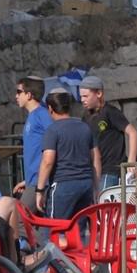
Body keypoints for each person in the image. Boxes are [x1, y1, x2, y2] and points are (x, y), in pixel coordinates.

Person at [35, 91, 100, 220]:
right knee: (78, 231)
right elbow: (96, 157)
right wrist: (96, 186)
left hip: (63, 184)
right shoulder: (85, 127)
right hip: (85, 184)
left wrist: (40, 190)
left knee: (56, 230)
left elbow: (48, 161)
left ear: (50, 108)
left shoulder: (52, 130)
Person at [78, 75, 137, 191]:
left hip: (111, 170)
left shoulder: (111, 112)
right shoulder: (86, 116)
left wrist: (131, 161)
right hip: (94, 170)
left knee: (104, 205)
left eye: (86, 96)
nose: (82, 100)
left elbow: (132, 133)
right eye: (81, 96)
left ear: (99, 94)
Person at [13, 76, 51, 211]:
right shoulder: (33, 115)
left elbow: (54, 141)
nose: (16, 96)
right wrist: (27, 181)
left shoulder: (42, 114)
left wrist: (38, 182)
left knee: (19, 220)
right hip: (33, 181)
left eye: (19, 92)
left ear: (29, 95)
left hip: (40, 183)